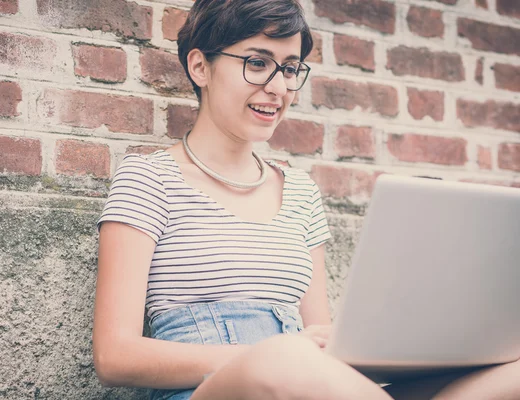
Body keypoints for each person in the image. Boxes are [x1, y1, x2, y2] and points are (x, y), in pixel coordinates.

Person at [92, 1, 520, 399]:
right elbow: (115, 356)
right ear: (200, 66)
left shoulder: (299, 192)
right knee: (281, 355)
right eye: (257, 63)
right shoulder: (149, 178)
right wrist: (270, 353)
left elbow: (322, 336)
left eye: (291, 68)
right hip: (213, 388)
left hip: (304, 385)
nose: (279, 87)